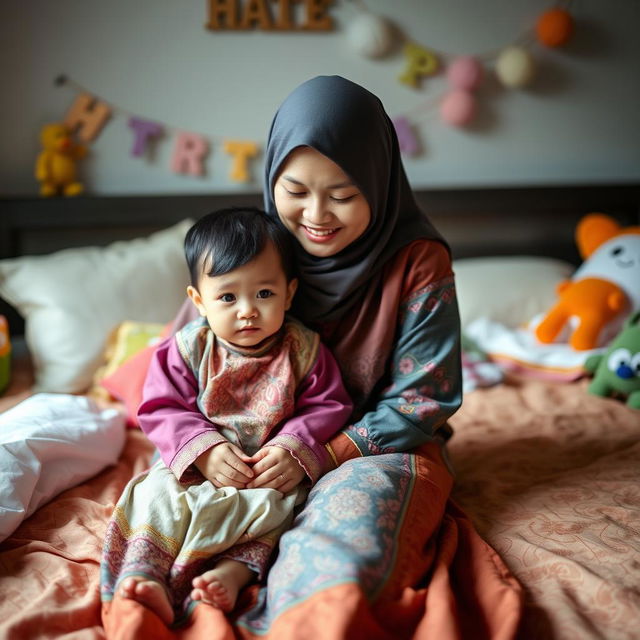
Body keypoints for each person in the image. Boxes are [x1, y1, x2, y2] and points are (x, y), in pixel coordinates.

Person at [102, 76, 522, 639]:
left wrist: (320, 454)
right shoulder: (258, 249)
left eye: (344, 194)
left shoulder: (417, 261)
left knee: (347, 531)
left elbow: (426, 396)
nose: (316, 215)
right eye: (295, 191)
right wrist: (205, 448)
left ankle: (308, 621)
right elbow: (182, 368)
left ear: (379, 183)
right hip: (237, 441)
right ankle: (157, 587)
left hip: (375, 443)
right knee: (164, 499)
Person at [100, 207, 353, 626]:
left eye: (264, 294)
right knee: (156, 495)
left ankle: (230, 576)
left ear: (290, 294)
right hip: (196, 463)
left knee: (280, 510)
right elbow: (161, 407)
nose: (247, 311)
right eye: (228, 297)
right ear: (199, 301)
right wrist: (204, 450)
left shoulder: (304, 350)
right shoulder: (186, 349)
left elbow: (328, 405)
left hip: (266, 469)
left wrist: (292, 447)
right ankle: (148, 575)